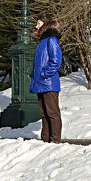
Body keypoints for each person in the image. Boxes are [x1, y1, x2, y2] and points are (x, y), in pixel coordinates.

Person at [29, 15, 63, 143]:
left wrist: (43, 74)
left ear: (45, 24)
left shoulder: (51, 40)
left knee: (52, 113)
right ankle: (45, 140)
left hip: (48, 82)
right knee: (44, 114)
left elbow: (55, 61)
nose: (36, 26)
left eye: (38, 23)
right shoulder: (42, 41)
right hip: (40, 82)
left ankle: (55, 141)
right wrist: (35, 75)